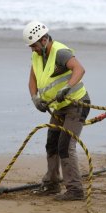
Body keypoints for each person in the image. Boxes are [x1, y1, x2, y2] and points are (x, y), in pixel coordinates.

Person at [24, 21, 90, 201]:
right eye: (31, 47)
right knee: (52, 143)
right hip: (58, 108)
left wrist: (67, 88)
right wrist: (35, 98)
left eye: (35, 46)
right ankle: (52, 184)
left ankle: (75, 190)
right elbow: (32, 80)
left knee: (65, 146)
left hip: (76, 105)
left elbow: (79, 69)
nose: (33, 50)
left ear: (44, 40)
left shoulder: (60, 52)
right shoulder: (37, 56)